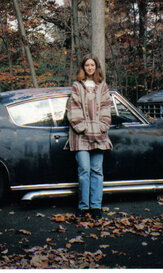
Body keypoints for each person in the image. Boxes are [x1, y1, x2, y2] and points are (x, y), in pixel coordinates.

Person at [65, 54, 113, 220]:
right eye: (87, 65)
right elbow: (73, 109)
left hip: (99, 135)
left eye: (92, 65)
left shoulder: (103, 86)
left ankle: (96, 207)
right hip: (81, 136)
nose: (90, 68)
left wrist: (102, 126)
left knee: (97, 171)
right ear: (83, 67)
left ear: (96, 67)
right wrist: (83, 128)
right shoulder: (77, 86)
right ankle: (83, 206)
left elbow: (107, 108)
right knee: (84, 170)